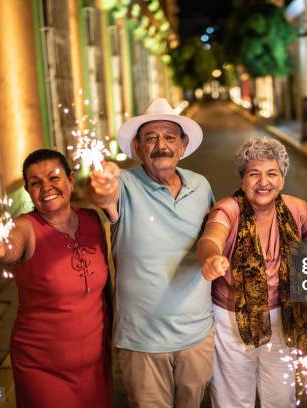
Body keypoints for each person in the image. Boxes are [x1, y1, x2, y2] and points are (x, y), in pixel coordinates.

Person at [88, 98, 214, 407]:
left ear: (182, 146)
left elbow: (214, 237)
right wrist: (102, 186)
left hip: (197, 335)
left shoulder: (200, 186)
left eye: (169, 137)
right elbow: (103, 195)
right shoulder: (125, 184)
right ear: (138, 147)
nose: (161, 145)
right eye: (151, 138)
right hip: (142, 339)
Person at [197, 136, 307, 408]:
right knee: (234, 398)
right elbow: (211, 237)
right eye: (254, 174)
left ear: (282, 179)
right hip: (232, 317)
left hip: (281, 314)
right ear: (242, 179)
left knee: (279, 396)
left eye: (272, 173)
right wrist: (211, 258)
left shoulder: (295, 208)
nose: (264, 182)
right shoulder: (229, 209)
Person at [0, 149, 111, 408]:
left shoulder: (92, 220)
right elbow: (12, 243)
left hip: (96, 365)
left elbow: (104, 291)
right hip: (42, 367)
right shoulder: (26, 227)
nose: (46, 187)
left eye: (54, 178)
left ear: (71, 179)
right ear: (28, 191)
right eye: (36, 183)